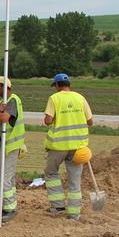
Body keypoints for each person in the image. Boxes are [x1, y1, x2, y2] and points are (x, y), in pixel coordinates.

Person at [43, 73, 93, 221]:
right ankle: (74, 214)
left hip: (58, 146)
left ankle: (58, 206)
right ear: (69, 84)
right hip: (78, 147)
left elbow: (48, 120)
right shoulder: (80, 98)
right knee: (74, 180)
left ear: (57, 85)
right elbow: (90, 121)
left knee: (51, 172)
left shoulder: (54, 98)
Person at [0, 76, 26, 223]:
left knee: (3, 178)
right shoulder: (0, 103)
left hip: (10, 144)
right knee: (6, 178)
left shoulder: (13, 100)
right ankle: (7, 205)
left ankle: (10, 209)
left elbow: (4, 118)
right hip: (1, 143)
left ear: (4, 87)